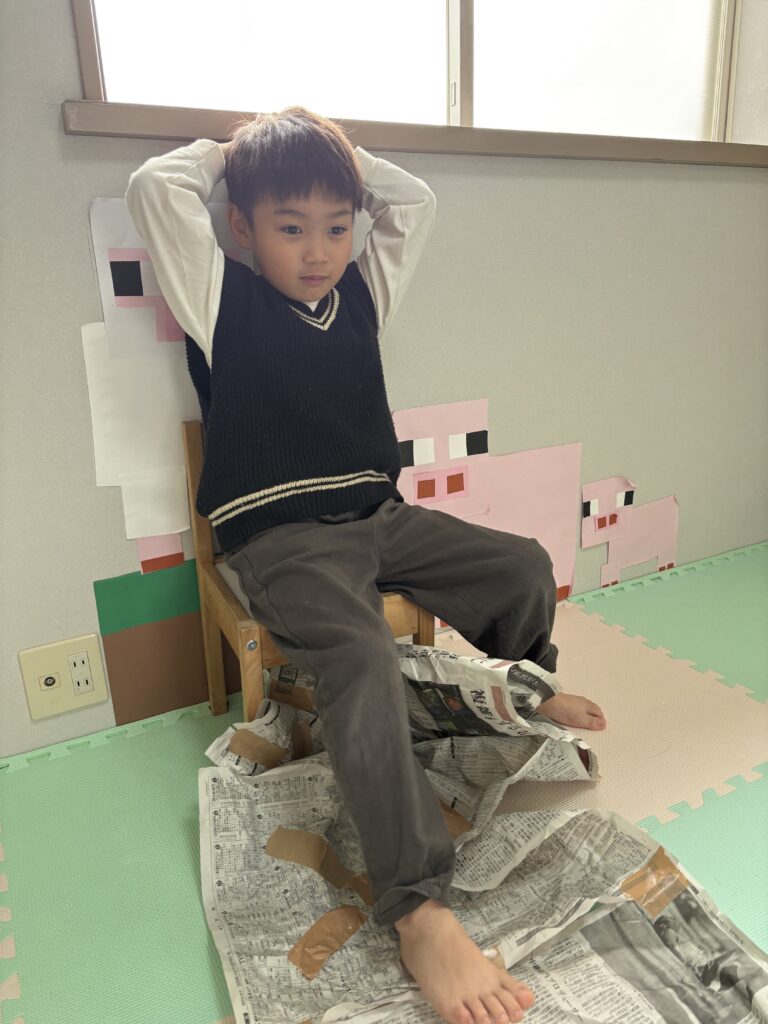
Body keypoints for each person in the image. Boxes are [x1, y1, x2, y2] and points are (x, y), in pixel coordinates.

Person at [126, 106, 607, 1024]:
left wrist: (347, 156)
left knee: (520, 564)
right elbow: (156, 187)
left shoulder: (362, 293)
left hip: (378, 519)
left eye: (336, 227)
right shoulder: (218, 297)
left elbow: (412, 201)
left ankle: (520, 692)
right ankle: (417, 907)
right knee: (359, 655)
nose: (318, 251)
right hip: (282, 539)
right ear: (242, 227)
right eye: (291, 228)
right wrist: (230, 152)